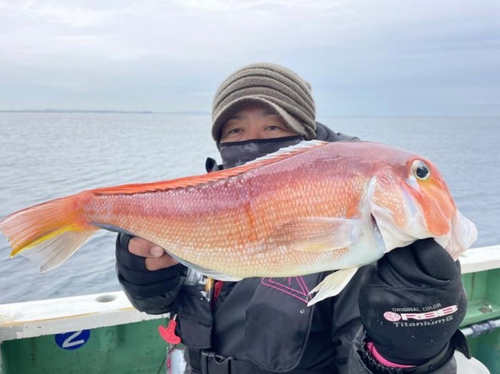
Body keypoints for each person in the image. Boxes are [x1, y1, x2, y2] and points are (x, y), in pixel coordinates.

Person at [115, 63, 470, 373]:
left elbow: (360, 353)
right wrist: (142, 272)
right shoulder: (199, 210)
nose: (252, 140)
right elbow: (160, 303)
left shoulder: (364, 232)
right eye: (235, 131)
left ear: (305, 136)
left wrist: (405, 351)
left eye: (273, 127)